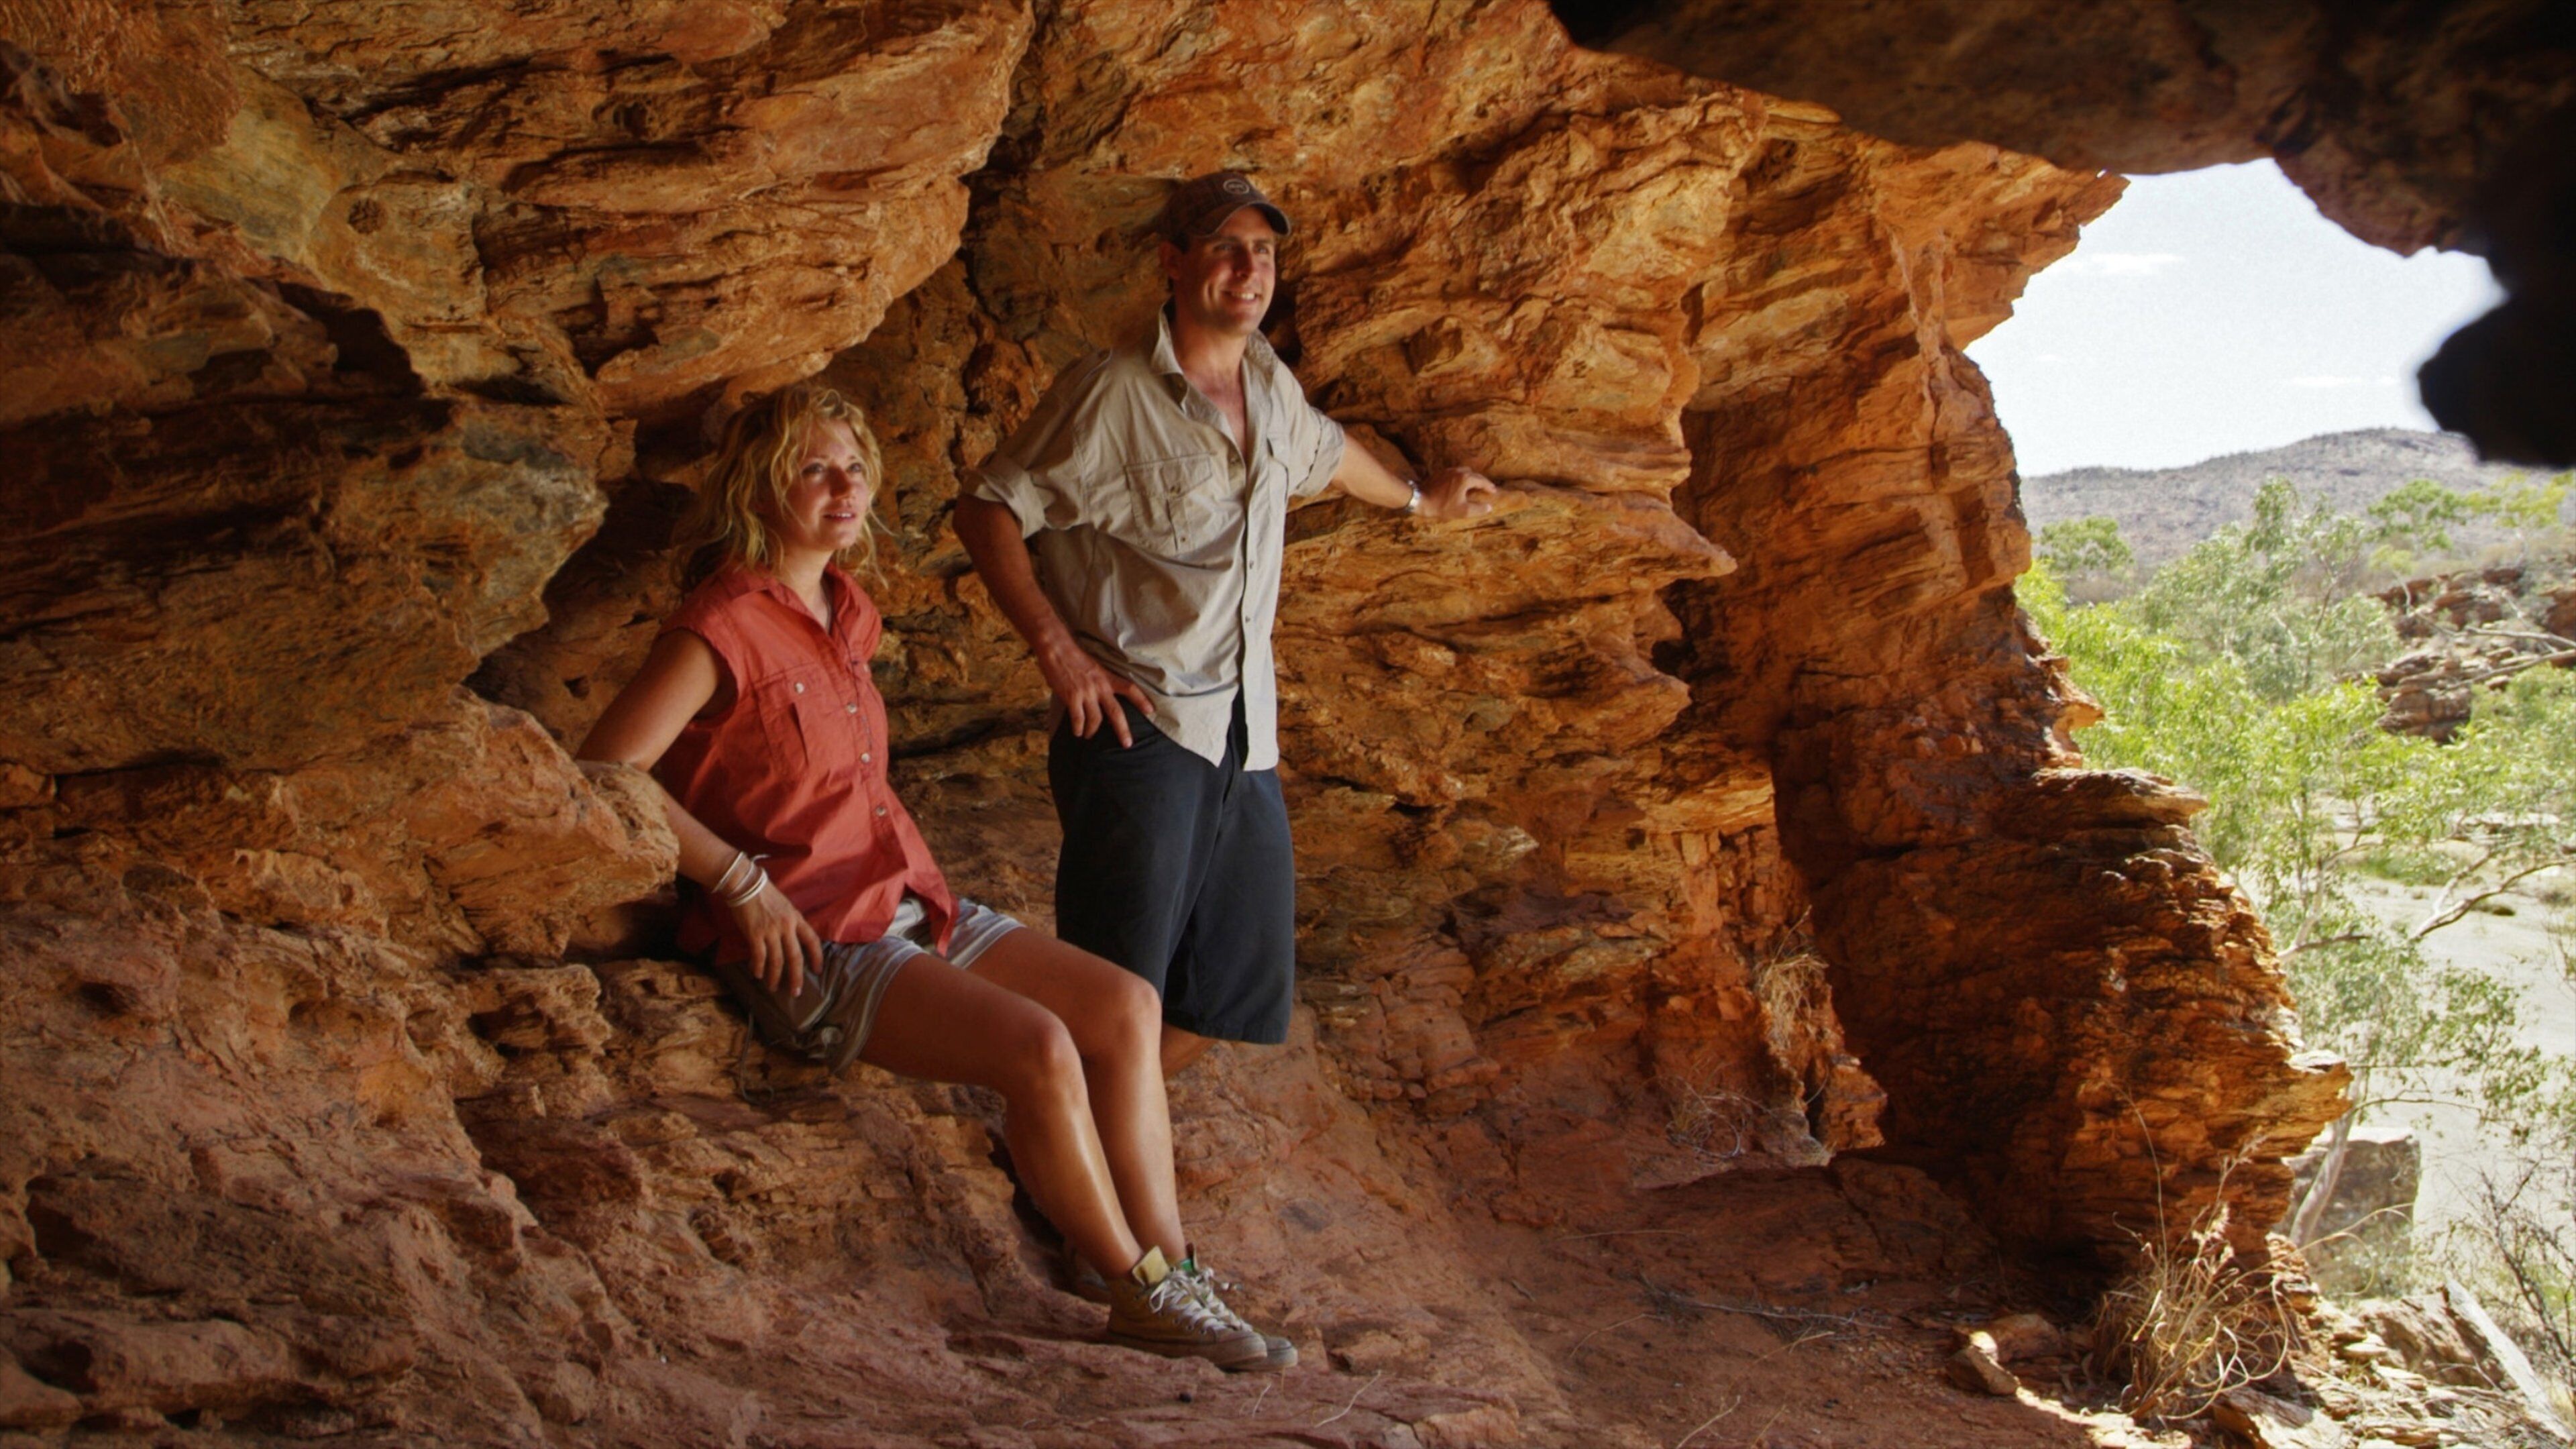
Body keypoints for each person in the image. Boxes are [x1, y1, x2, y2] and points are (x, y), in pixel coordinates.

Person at [577, 384, 1291, 1373]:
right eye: (816, 468)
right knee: (1039, 1047)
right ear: (763, 482)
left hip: (908, 900)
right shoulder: (722, 624)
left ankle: (1177, 1267)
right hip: (820, 937)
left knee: (1126, 1005)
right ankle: (1141, 1294)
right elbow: (605, 769)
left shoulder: (849, 613)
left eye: (855, 468)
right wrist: (737, 881)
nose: (844, 487)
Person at [955, 170, 1497, 1077]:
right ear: (1173, 264)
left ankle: (1082, 1143)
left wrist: (1417, 502)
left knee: (1227, 996)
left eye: (1266, 251)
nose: (1250, 270)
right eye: (1225, 248)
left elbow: (1325, 455)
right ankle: (1073, 1168)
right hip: (1142, 729)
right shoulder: (1112, 394)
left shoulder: (1267, 383)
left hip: (1243, 739)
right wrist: (1060, 658)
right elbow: (986, 510)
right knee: (1116, 998)